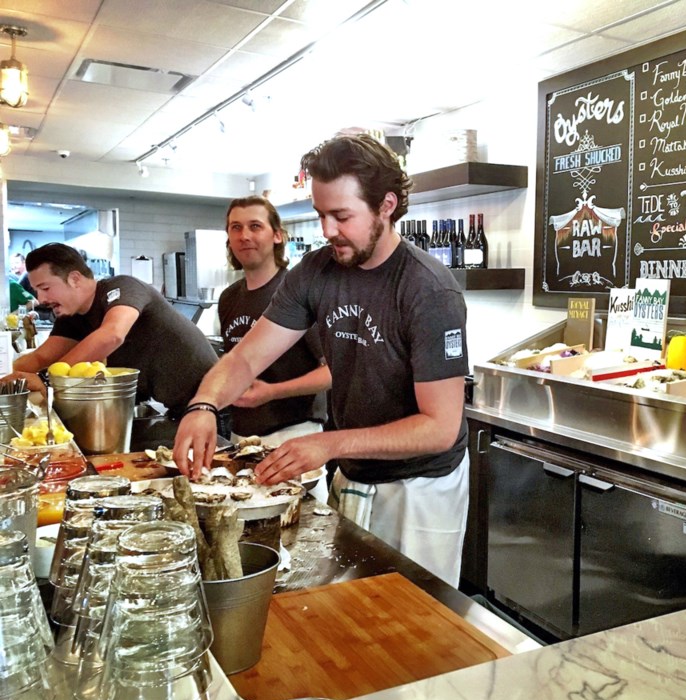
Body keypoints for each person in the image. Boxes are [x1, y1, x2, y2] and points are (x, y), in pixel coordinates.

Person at [175, 133, 470, 586]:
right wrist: (204, 405)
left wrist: (328, 444)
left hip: (421, 489)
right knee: (351, 611)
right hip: (351, 473)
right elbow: (245, 358)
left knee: (416, 624)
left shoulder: (428, 290)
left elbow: (439, 426)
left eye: (342, 216)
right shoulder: (316, 272)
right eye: (320, 214)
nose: (328, 230)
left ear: (386, 206)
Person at [9, 243, 219, 421]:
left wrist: (47, 380)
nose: (41, 299)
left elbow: (112, 334)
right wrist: (5, 374)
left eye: (45, 288)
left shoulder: (122, 287)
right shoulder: (71, 317)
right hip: (178, 407)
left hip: (215, 401)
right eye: (36, 290)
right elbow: (40, 357)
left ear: (74, 279)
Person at [219, 195, 330, 491]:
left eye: (255, 226)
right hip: (240, 440)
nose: (245, 236)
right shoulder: (229, 297)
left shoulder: (299, 293)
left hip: (293, 438)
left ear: (277, 235)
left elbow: (333, 372)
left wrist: (272, 392)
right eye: (236, 227)